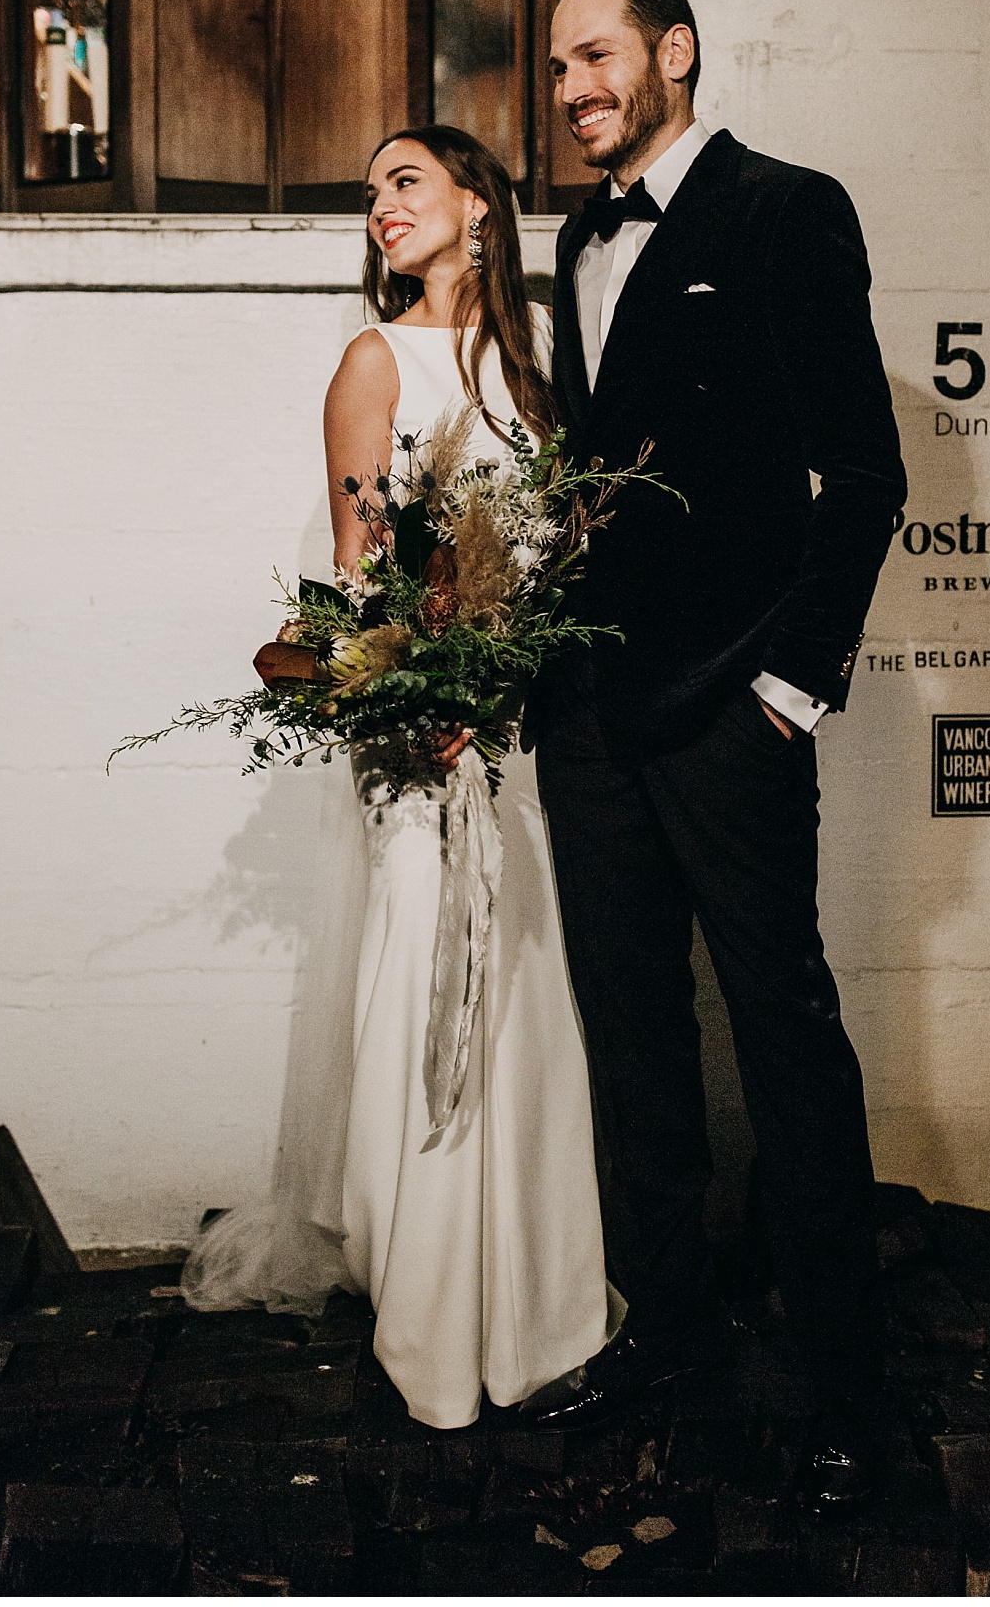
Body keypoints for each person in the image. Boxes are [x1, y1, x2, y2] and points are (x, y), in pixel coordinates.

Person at [520, 0, 907, 1516]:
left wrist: (789, 690)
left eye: (596, 55)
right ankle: (664, 1328)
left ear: (675, 53)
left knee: (787, 1045)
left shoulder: (786, 207)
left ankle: (845, 1397)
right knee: (633, 1041)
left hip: (733, 715)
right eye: (556, 68)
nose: (571, 88)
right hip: (596, 720)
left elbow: (864, 475)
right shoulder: (574, 240)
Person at [183, 123, 617, 1431]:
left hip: (519, 749)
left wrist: (515, 681)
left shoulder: (545, 375)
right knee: (435, 993)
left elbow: (569, 558)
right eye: (370, 190)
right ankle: (433, 1330)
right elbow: (366, 560)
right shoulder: (375, 361)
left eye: (406, 181)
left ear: (480, 202)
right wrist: (434, 689)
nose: (380, 205)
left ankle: (541, 1319)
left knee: (525, 1007)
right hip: (423, 748)